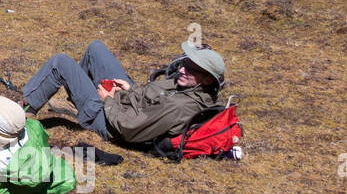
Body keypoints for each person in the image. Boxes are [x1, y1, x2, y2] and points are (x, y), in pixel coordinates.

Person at [21, 40, 225, 144]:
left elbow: (130, 128)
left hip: (113, 125)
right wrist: (131, 90)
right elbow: (152, 102)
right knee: (96, 48)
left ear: (207, 79)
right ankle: (79, 97)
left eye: (190, 69)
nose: (181, 70)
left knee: (60, 62)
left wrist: (108, 101)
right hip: (125, 105)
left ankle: (22, 114)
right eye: (184, 64)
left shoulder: (180, 106)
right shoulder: (188, 87)